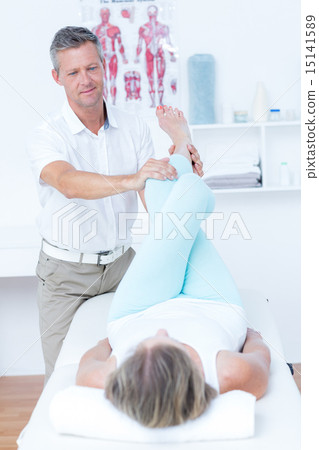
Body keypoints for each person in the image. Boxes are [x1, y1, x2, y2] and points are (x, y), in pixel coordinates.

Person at [26, 26, 204, 383]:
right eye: (73, 72)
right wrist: (132, 178)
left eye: (92, 67)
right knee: (64, 375)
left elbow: (151, 198)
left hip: (122, 264)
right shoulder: (47, 135)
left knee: (142, 358)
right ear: (57, 77)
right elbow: (67, 182)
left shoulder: (133, 126)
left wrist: (183, 170)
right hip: (66, 274)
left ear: (105, 67)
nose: (85, 80)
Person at [76, 106, 271, 428]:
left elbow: (89, 362)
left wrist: (108, 343)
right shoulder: (230, 374)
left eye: (145, 345)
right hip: (213, 303)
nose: (163, 329)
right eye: (177, 344)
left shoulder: (107, 378)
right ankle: (182, 144)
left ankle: (182, 148)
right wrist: (253, 337)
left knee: (167, 192)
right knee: (184, 193)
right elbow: (259, 354)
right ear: (192, 370)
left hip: (137, 309)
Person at [135, 5, 176, 107]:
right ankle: (153, 102)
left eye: (154, 12)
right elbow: (140, 44)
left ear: (157, 13)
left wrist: (172, 54)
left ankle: (160, 102)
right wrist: (136, 56)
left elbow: (169, 42)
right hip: (149, 54)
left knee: (160, 79)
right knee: (151, 79)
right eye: (150, 12)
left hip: (160, 54)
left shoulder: (163, 27)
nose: (152, 15)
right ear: (148, 14)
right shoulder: (143, 28)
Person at [92, 8, 128, 104]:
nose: (105, 16)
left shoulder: (115, 28)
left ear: (109, 15)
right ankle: (105, 104)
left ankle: (114, 104)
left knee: (112, 81)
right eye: (103, 14)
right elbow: (91, 47)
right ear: (100, 15)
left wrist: (124, 57)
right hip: (100, 58)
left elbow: (120, 44)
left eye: (107, 14)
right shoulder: (95, 30)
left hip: (112, 57)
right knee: (102, 82)